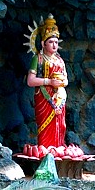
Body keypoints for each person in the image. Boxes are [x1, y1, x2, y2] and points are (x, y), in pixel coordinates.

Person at [26, 14, 68, 149]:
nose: (54, 45)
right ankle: (45, 151)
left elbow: (66, 80)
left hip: (59, 98)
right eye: (51, 42)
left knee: (60, 125)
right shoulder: (38, 59)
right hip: (44, 97)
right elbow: (30, 81)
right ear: (43, 43)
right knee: (45, 126)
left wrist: (60, 83)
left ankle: (58, 149)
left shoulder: (60, 60)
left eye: (56, 42)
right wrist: (49, 81)